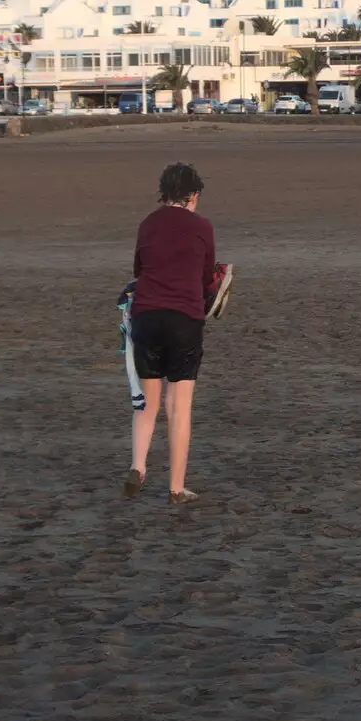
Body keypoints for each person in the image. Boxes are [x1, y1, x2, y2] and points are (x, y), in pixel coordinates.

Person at [124, 162, 219, 504]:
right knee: (179, 406)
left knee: (147, 402)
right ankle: (176, 488)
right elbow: (207, 276)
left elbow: (139, 269)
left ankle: (138, 465)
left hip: (146, 316)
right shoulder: (201, 226)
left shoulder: (148, 224)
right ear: (193, 195)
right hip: (184, 318)